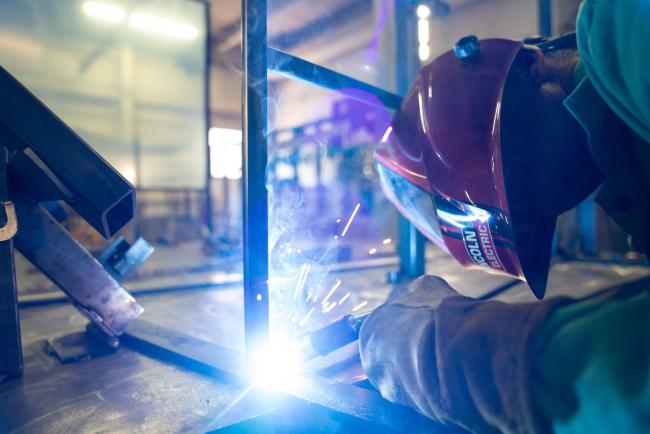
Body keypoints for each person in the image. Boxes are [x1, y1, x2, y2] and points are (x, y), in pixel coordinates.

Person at [360, 1, 650, 433]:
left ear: (532, 66)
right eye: (525, 215)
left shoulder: (627, 33)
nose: (533, 213)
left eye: (519, 175)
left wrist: (446, 355)